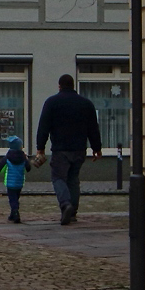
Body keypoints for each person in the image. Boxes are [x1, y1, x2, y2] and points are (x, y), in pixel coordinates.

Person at [35, 74, 102, 225]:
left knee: (58, 177)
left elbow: (43, 126)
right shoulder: (86, 104)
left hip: (60, 149)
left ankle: (66, 204)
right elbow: (93, 128)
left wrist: (40, 148)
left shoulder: (52, 102)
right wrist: (97, 148)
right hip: (79, 149)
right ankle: (73, 212)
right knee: (73, 179)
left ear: (59, 86)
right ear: (73, 86)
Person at [0, 135, 32, 223]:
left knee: (12, 199)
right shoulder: (23, 158)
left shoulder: (7, 158)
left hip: (10, 183)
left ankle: (15, 213)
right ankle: (12, 214)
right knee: (16, 197)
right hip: (19, 182)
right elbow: (28, 168)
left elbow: (0, 169)